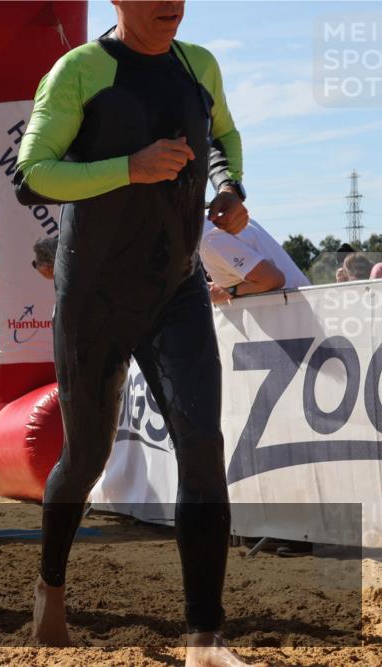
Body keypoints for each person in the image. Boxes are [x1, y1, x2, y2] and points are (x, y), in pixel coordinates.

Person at [14, 3, 262, 665]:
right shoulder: (81, 71)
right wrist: (130, 166)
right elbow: (34, 170)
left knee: (203, 443)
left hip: (175, 287)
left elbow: (221, 136)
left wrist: (228, 187)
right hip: (93, 295)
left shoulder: (197, 65)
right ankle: (52, 586)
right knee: (86, 457)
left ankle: (204, 639)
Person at [200, 216, 310, 303]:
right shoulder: (222, 220)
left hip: (289, 313)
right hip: (300, 305)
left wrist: (228, 291)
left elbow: (273, 279)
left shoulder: (211, 241)